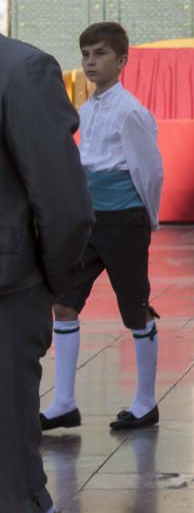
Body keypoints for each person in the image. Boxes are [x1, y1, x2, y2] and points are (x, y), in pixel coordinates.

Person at [41, 22, 164, 432]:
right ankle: (63, 402)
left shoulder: (131, 112)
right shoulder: (87, 109)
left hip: (123, 221)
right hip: (89, 221)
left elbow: (149, 170)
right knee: (64, 301)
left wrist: (148, 217)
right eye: (86, 55)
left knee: (134, 308)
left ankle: (146, 403)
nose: (91, 62)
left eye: (100, 54)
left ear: (122, 60)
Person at [0, 34, 93, 512]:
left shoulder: (20, 72)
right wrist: (56, 280)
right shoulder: (22, 68)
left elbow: (61, 204)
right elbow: (66, 207)